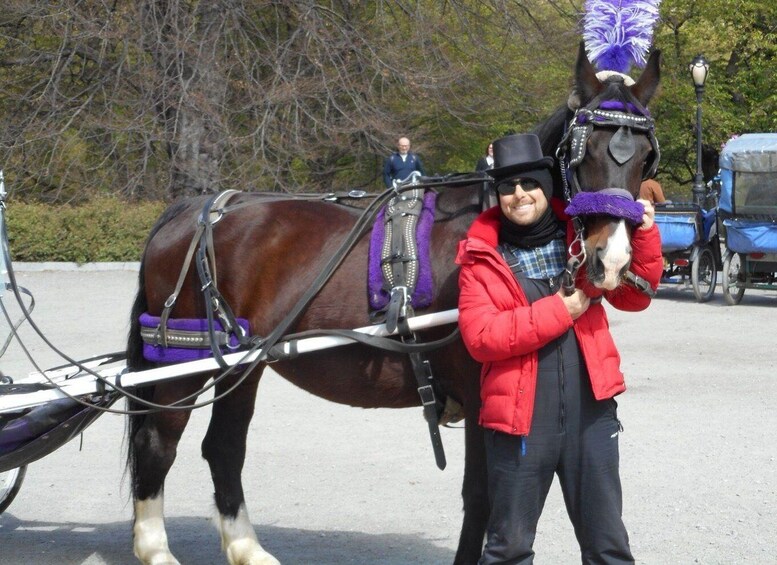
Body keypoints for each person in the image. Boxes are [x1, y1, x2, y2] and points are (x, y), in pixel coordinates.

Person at [455, 133, 662, 564]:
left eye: (528, 184)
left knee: (608, 546)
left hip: (591, 418)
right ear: (498, 195)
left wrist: (643, 235)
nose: (519, 195)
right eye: (508, 188)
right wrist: (559, 312)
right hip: (518, 424)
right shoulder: (481, 257)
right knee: (508, 548)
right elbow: (481, 337)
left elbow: (635, 296)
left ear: (546, 187)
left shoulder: (580, 236)